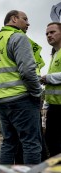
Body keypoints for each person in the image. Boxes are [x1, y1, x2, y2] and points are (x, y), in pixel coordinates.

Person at [0, 10, 43, 164]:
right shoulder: (18, 37)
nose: (28, 23)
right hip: (21, 98)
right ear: (14, 19)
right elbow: (27, 70)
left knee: (9, 142)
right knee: (31, 143)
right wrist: (37, 92)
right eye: (25, 19)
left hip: (1, 100)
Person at [40, 22, 61, 157]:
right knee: (52, 143)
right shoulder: (54, 55)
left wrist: (48, 78)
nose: (48, 35)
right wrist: (46, 106)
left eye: (52, 32)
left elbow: (52, 79)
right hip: (54, 108)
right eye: (47, 33)